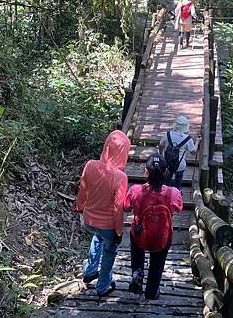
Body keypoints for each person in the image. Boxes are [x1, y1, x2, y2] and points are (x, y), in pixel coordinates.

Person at [73, 130, 130, 297]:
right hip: (108, 225)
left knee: (97, 237)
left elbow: (82, 191)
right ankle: (103, 285)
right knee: (110, 250)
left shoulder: (90, 165)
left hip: (89, 220)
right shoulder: (120, 177)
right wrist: (119, 231)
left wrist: (80, 206)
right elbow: (117, 208)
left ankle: (90, 271)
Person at [124, 155, 183, 300]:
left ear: (146, 171)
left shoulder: (136, 191)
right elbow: (179, 208)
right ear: (165, 172)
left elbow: (125, 207)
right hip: (163, 236)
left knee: (137, 257)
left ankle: (137, 281)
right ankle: (152, 291)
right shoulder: (173, 193)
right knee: (157, 263)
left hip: (139, 234)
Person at [159, 116, 200, 192]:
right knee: (178, 180)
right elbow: (193, 152)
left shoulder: (167, 134)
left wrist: (161, 156)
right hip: (180, 165)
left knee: (167, 180)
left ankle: (165, 194)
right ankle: (177, 193)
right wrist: (197, 141)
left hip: (167, 162)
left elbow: (161, 145)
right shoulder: (188, 139)